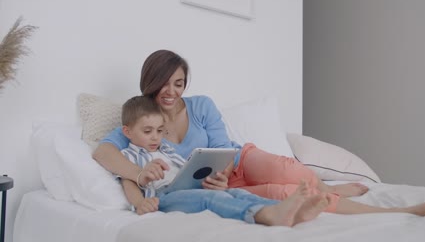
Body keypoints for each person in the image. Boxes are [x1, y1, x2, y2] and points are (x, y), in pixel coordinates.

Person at [94, 50, 425, 222]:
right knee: (289, 194)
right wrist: (139, 175)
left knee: (288, 172)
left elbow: (221, 148)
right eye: (164, 83)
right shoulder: (143, 122)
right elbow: (104, 153)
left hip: (237, 161)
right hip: (212, 187)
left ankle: (331, 187)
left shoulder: (200, 104)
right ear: (149, 83)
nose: (172, 91)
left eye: (179, 83)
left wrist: (221, 172)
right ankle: (405, 211)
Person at [117, 95, 329, 226]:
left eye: (160, 131)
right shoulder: (130, 155)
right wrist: (140, 203)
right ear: (128, 131)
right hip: (164, 198)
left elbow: (184, 171)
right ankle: (264, 215)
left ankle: (290, 210)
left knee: (234, 193)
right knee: (209, 201)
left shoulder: (166, 149)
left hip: (188, 188)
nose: (155, 136)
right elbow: (129, 182)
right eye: (148, 131)